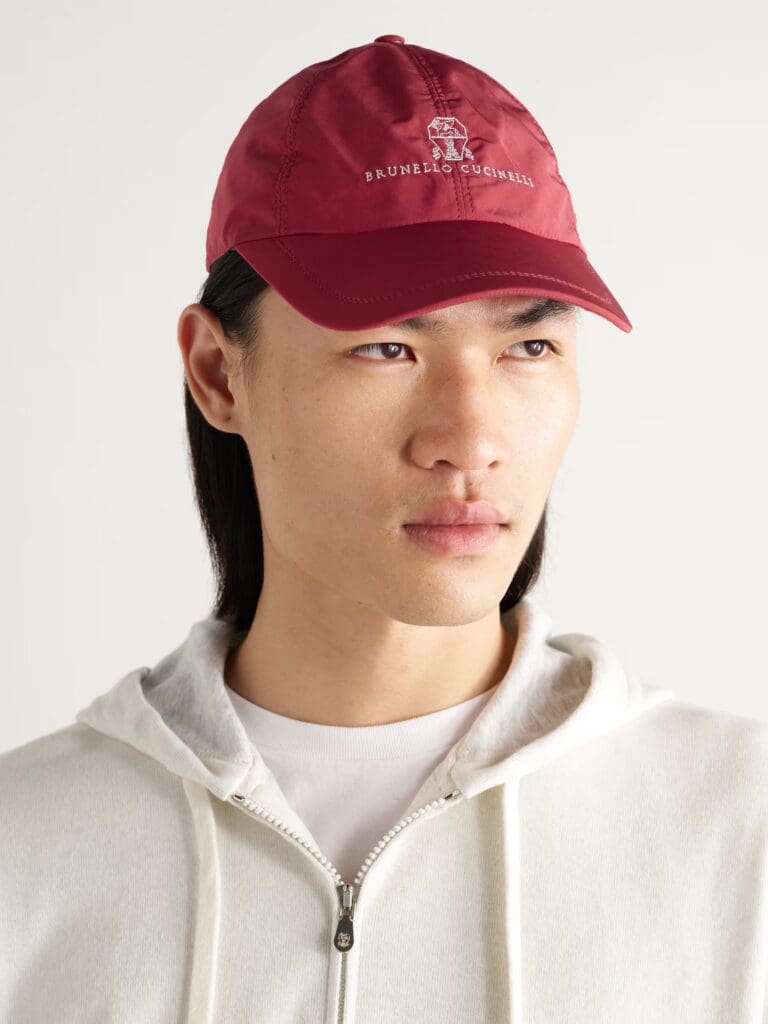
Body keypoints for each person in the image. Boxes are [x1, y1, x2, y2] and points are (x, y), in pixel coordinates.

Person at [2, 33, 767, 1024]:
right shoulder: (26, 850)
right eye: (387, 347)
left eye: (530, 346)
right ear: (219, 374)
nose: (470, 440)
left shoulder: (740, 830)